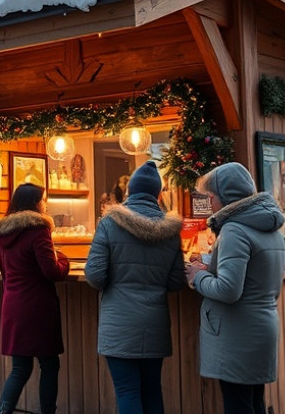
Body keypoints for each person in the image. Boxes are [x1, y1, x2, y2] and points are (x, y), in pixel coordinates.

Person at [184, 162, 285, 414]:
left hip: (237, 334)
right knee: (253, 402)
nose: (210, 203)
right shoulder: (270, 228)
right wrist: (211, 264)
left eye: (211, 197)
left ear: (225, 197)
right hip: (261, 327)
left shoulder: (234, 230)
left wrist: (197, 276)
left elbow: (229, 290)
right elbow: (255, 275)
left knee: (238, 405)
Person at [85, 161, 184, 414]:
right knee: (152, 390)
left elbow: (95, 275)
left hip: (119, 325)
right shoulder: (172, 231)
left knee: (127, 391)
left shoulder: (109, 224)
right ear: (159, 194)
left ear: (129, 191)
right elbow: (175, 281)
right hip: (155, 324)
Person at [0, 183, 70, 414]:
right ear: (34, 203)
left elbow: (5, 273)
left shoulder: (3, 234)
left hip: (12, 305)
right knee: (49, 365)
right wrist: (63, 261)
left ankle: (2, 412)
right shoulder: (38, 229)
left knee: (20, 369)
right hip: (37, 308)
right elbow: (51, 272)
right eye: (43, 200)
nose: (45, 204)